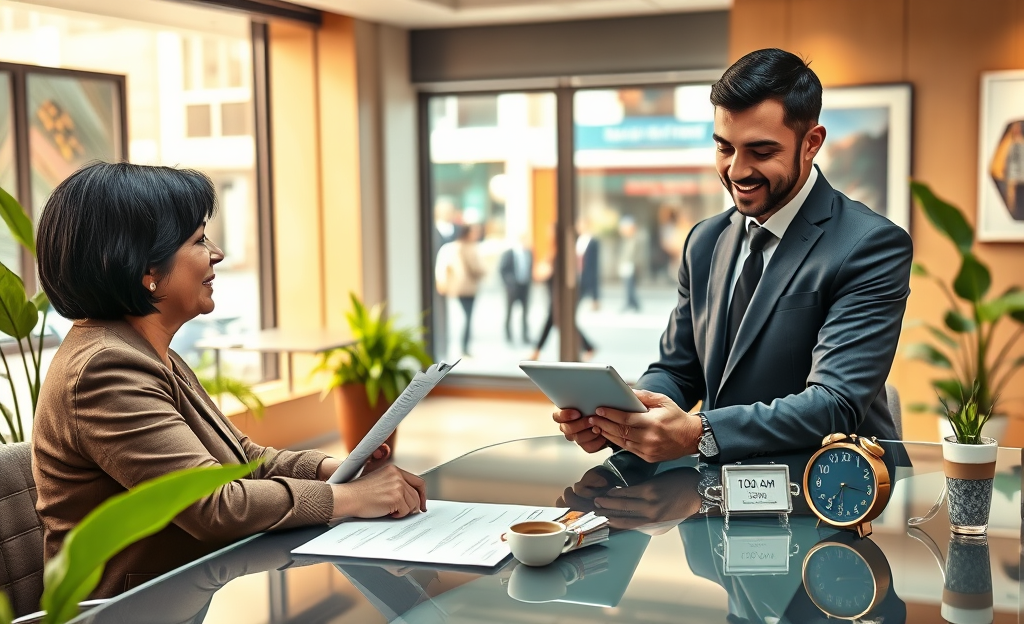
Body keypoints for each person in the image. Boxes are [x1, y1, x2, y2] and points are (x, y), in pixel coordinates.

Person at [31, 162, 428, 598]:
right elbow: (213, 505)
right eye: (199, 240)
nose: (217, 254)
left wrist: (338, 469)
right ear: (146, 269)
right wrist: (354, 498)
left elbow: (243, 458)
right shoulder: (105, 369)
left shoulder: (146, 352)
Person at [554, 48, 913, 464]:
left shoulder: (871, 245)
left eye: (761, 152)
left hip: (834, 487)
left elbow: (834, 403)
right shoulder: (705, 241)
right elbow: (677, 369)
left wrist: (699, 433)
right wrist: (623, 419)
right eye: (725, 148)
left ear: (811, 143)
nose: (737, 170)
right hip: (717, 488)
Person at [434, 223, 485, 357]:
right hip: (465, 289)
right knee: (466, 318)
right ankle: (463, 347)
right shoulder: (467, 248)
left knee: (463, 318)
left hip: (458, 288)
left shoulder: (452, 247)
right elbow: (477, 268)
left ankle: (459, 346)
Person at [498, 233, 533, 344]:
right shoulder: (509, 253)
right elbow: (502, 270)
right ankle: (509, 335)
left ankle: (525, 335)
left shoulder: (529, 253)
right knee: (509, 312)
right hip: (512, 287)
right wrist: (509, 283)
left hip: (524, 286)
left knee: (525, 313)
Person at [617, 216, 642, 313]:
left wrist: (637, 265)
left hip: (631, 265)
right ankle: (632, 303)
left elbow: (638, 254)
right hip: (625, 265)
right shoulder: (626, 239)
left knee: (630, 286)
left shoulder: (636, 238)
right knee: (627, 286)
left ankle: (632, 303)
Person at [575, 218, 600, 310]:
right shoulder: (576, 239)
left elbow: (594, 264)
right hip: (577, 270)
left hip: (587, 271)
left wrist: (595, 296)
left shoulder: (593, 241)